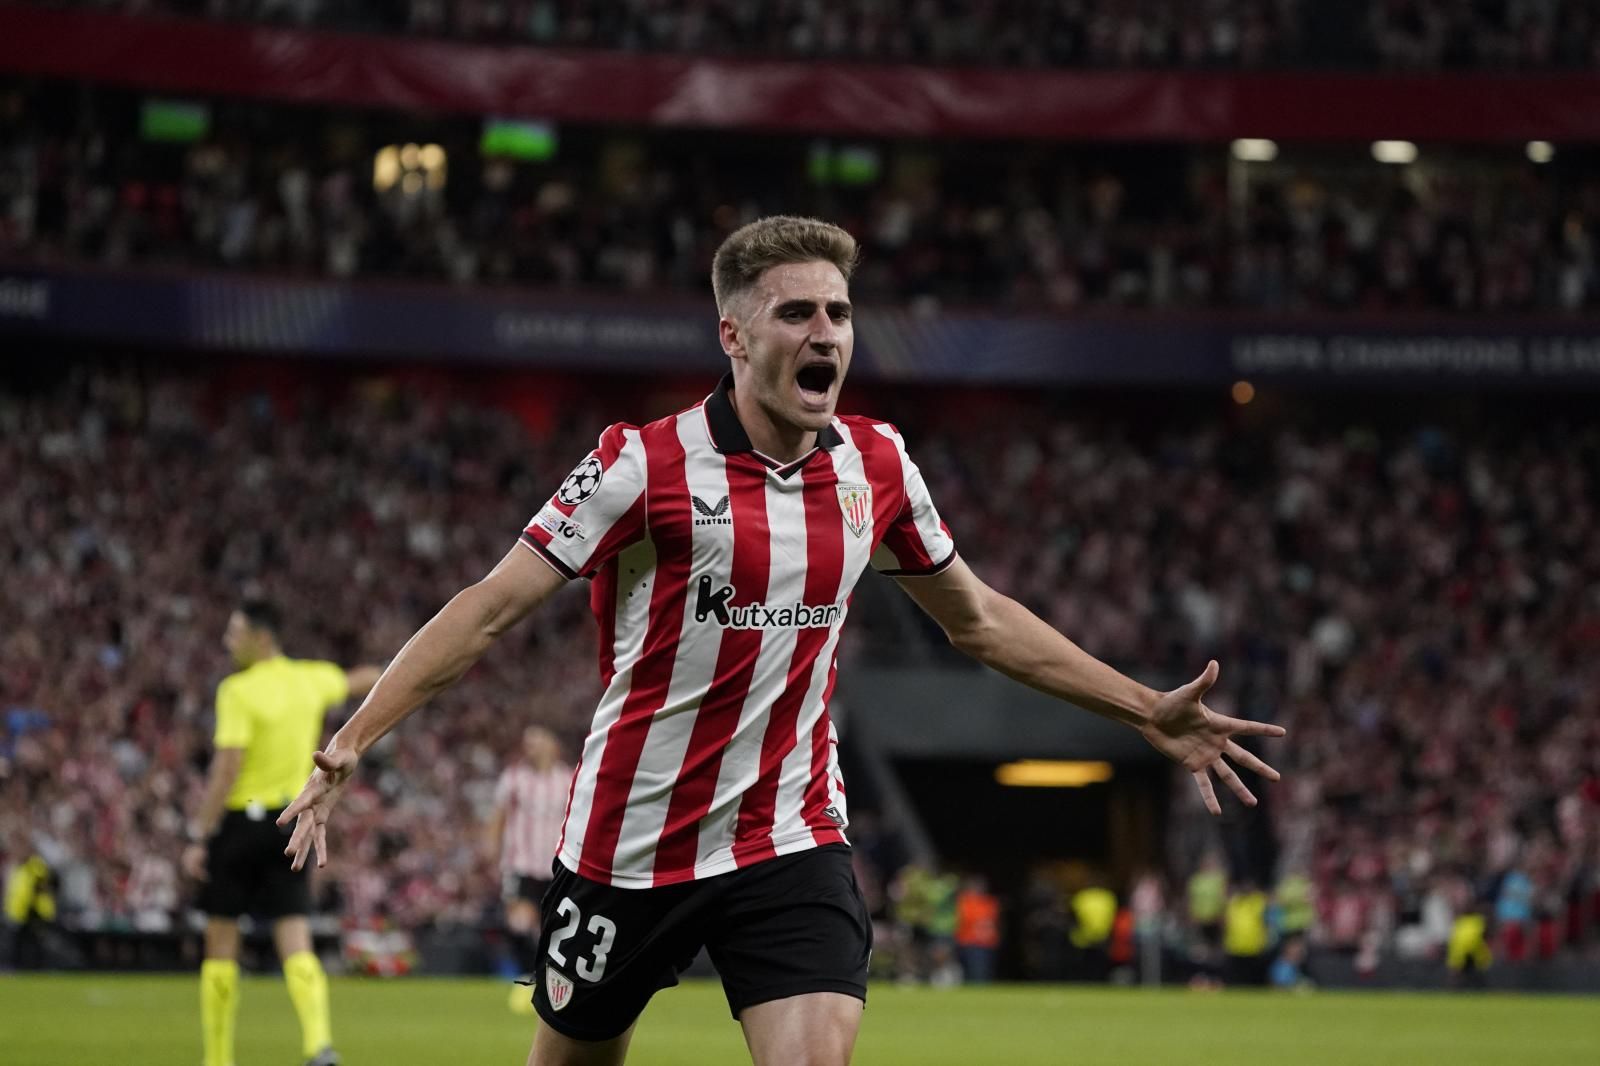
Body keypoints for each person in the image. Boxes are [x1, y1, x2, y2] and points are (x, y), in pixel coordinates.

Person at [276, 215, 1286, 1066]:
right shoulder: (642, 465)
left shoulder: (877, 462)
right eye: (797, 312)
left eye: (839, 313)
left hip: (788, 834)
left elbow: (977, 620)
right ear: (734, 334)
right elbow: (489, 605)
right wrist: (352, 740)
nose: (826, 333)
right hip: (632, 844)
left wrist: (1142, 704)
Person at [181, 600, 381, 1066]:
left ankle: (217, 1058)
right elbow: (368, 678)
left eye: (235, 632)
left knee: (221, 943)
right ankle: (318, 1045)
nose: (228, 641)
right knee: (295, 936)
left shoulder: (237, 690)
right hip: (292, 821)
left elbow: (228, 765)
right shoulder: (310, 679)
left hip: (239, 823)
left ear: (261, 637)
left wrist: (200, 833)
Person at [488, 725, 574, 1007]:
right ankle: (529, 977)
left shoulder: (568, 779)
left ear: (553, 744)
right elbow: (499, 818)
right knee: (520, 922)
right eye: (528, 743)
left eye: (537, 741)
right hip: (520, 864)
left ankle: (554, 980)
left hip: (556, 865)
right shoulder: (513, 778)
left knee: (554, 927)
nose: (531, 747)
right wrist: (492, 852)